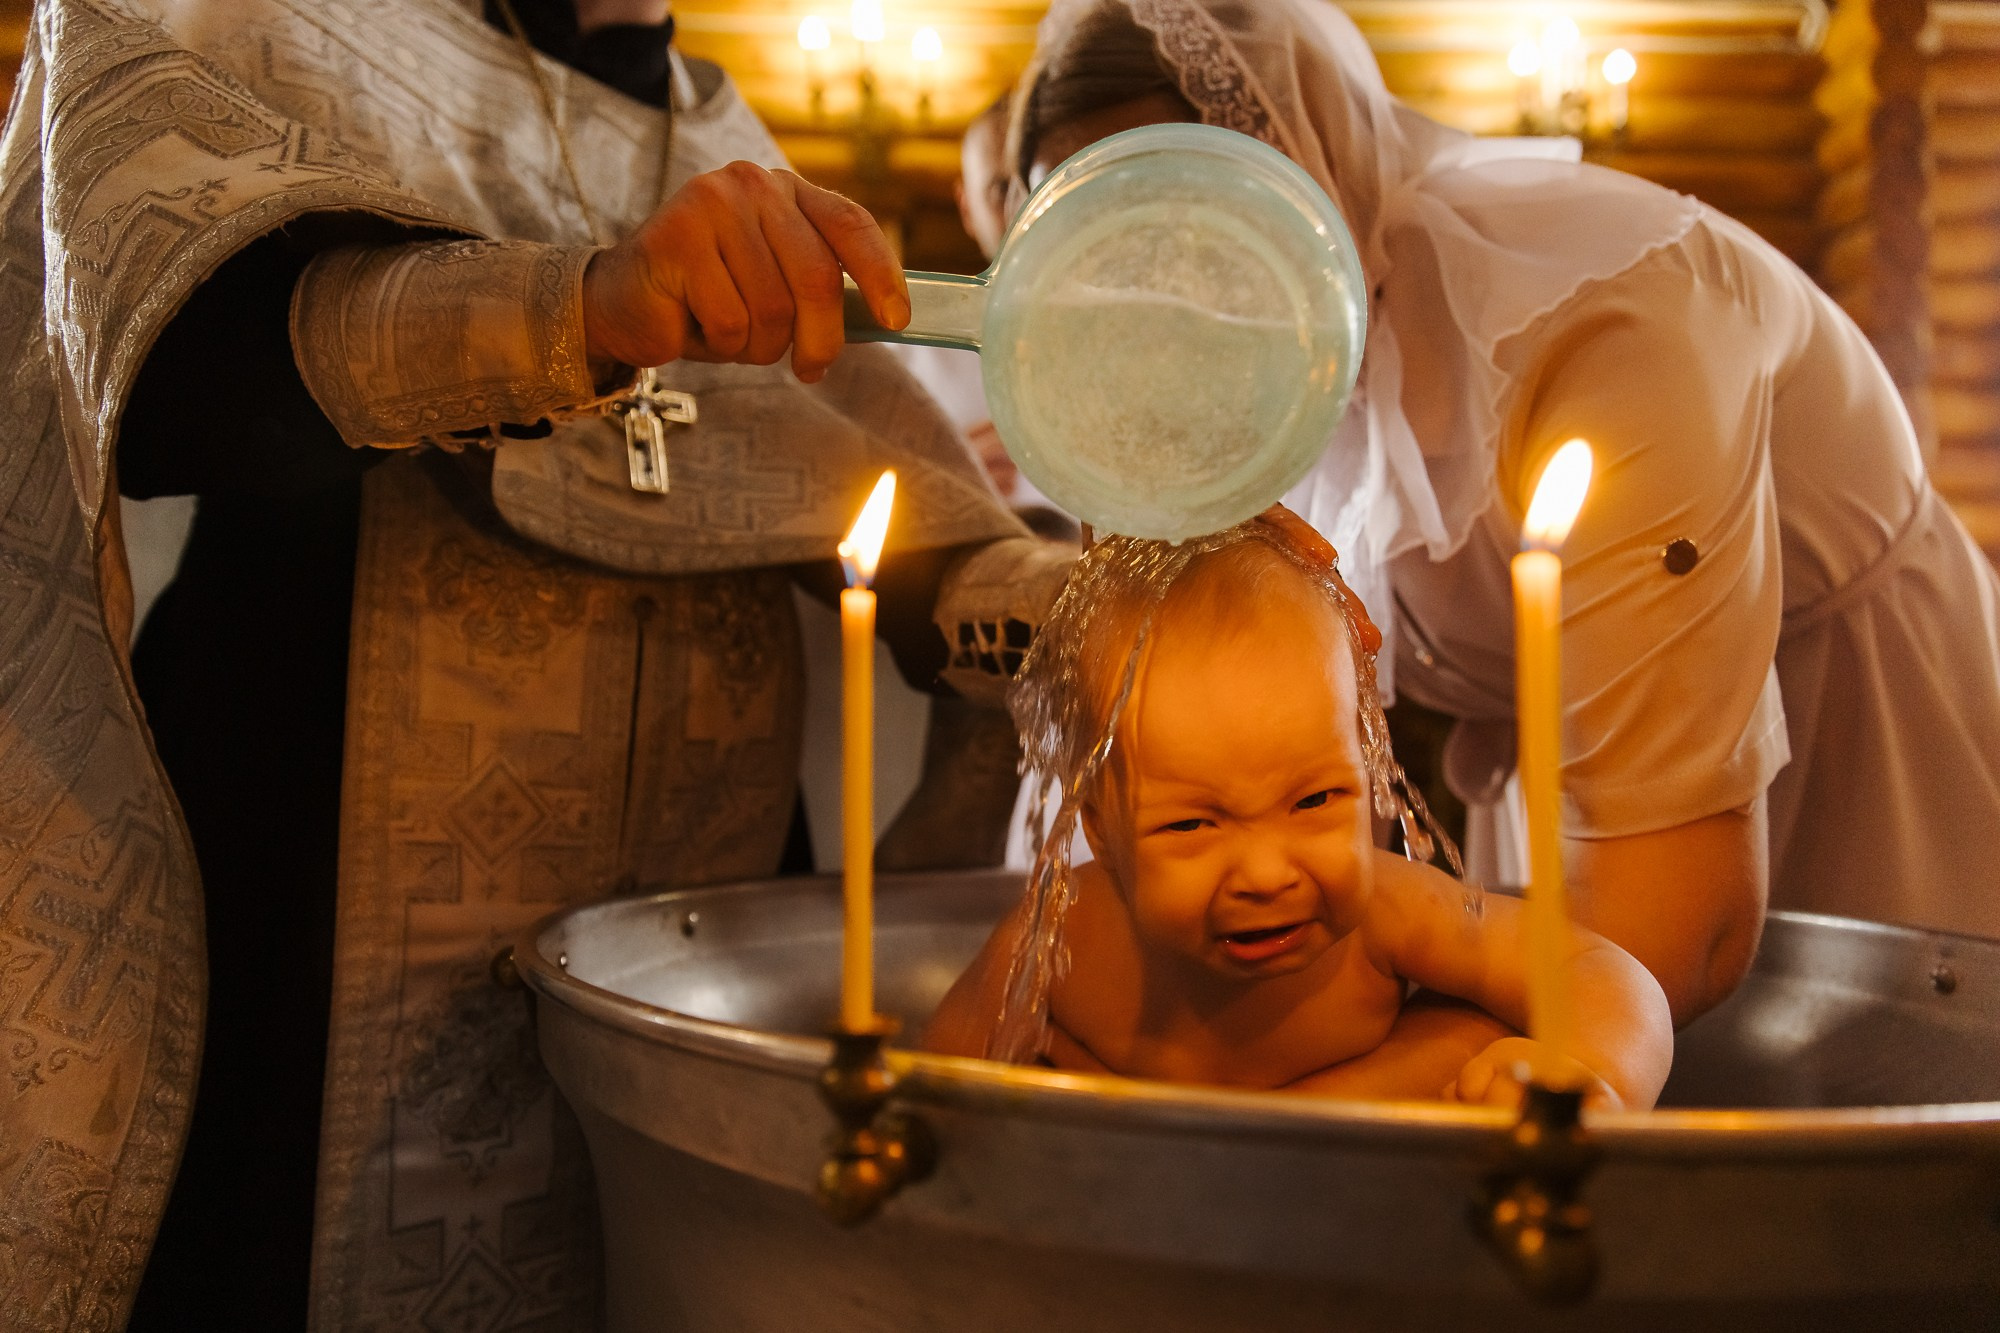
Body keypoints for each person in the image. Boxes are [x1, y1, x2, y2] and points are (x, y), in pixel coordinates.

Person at [0, 0, 1071, 1327]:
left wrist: (1099, 606)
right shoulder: (282, 27)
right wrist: (580, 307)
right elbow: (151, 365)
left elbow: (897, 527)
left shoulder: (718, 135)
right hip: (311, 895)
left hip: (684, 929)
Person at [1010, 0, 2000, 1054]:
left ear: (1302, 170)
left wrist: (1309, 1100)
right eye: (1091, 250)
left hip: (1851, 737)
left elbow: (1679, 930)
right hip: (1574, 790)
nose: (1145, 307)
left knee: (1847, 1101)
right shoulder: (1237, 390)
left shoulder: (1609, 331)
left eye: (1185, 236)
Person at [925, 513, 1673, 1109]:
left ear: (1369, 765)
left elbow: (1602, 971)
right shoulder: (1054, 942)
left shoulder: (1392, 912)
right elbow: (929, 1097)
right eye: (1192, 824)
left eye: (1315, 799)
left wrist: (1596, 1075)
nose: (1265, 871)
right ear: (1097, 824)